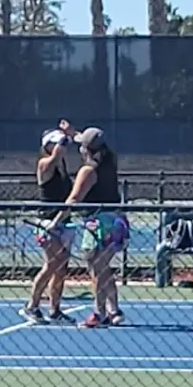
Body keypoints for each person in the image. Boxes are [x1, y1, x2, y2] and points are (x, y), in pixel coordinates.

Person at [55, 122, 129, 328]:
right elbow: (86, 139)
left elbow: (74, 199)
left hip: (100, 224)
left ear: (85, 150)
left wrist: (56, 222)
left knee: (96, 269)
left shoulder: (88, 170)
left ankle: (100, 313)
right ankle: (114, 310)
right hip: (117, 221)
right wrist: (72, 132)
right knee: (103, 267)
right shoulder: (109, 161)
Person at [21, 128, 74, 322]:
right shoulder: (45, 164)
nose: (62, 147)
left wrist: (71, 133)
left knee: (61, 268)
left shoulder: (63, 167)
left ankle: (55, 309)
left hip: (64, 222)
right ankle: (32, 306)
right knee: (52, 263)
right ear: (48, 146)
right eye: (57, 143)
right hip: (47, 223)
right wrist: (65, 138)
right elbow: (58, 152)